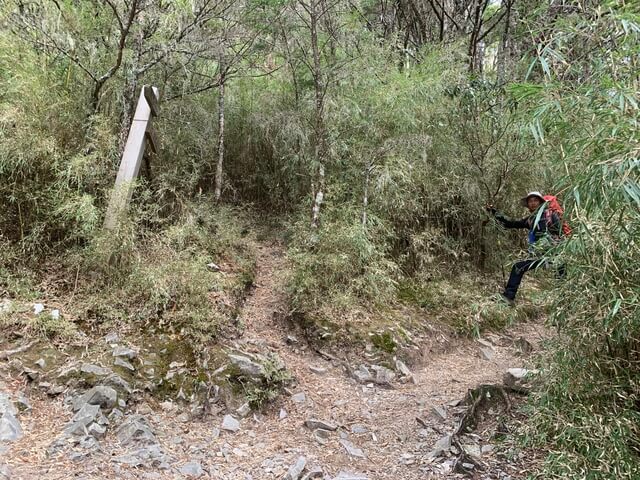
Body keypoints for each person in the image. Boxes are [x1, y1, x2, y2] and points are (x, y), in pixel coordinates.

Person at [486, 191, 564, 306]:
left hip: (556, 254)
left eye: (535, 200)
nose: (532, 203)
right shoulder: (530, 220)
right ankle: (508, 297)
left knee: (561, 278)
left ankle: (563, 304)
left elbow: (561, 234)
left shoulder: (550, 215)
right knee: (518, 267)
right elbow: (510, 223)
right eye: (530, 201)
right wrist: (494, 212)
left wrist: (559, 251)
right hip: (540, 255)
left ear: (541, 203)